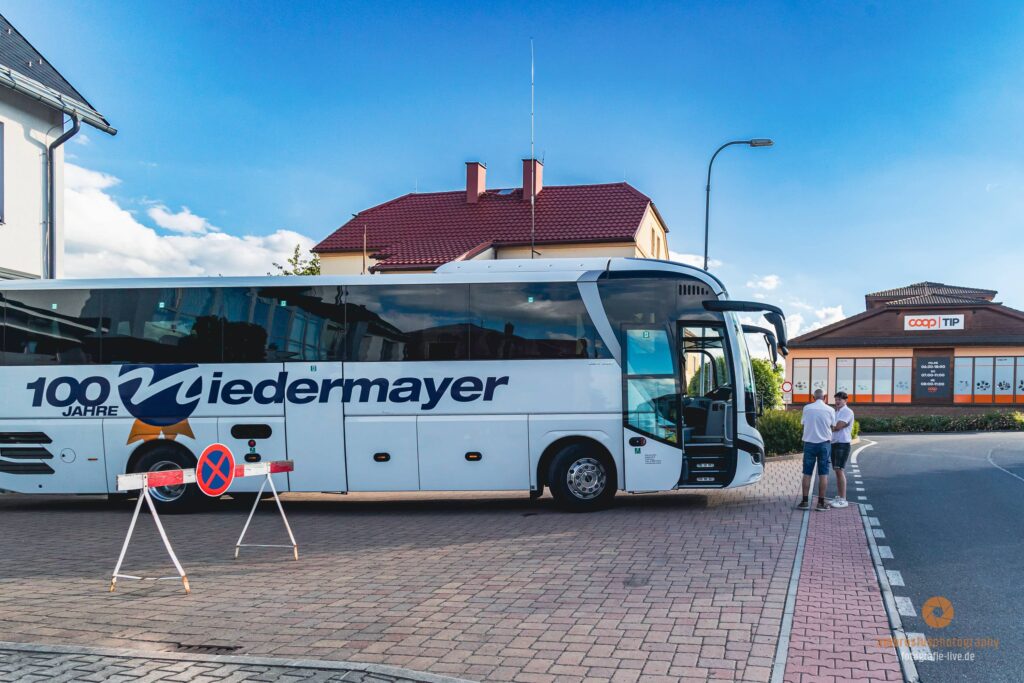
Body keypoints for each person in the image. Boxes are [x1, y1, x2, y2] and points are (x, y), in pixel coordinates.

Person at [799, 388, 835, 511]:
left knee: (807, 473)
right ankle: (820, 503)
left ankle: (804, 502)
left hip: (809, 443)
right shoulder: (830, 410)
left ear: (813, 398)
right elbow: (833, 425)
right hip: (824, 444)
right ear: (825, 397)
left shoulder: (807, 408)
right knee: (823, 473)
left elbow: (803, 423)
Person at [829, 391, 855, 508]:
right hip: (834, 443)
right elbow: (833, 426)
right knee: (836, 470)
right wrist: (833, 427)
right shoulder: (836, 412)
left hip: (842, 444)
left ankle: (843, 499)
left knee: (839, 470)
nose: (837, 402)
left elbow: (838, 426)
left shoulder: (847, 412)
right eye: (836, 400)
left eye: (839, 399)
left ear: (845, 400)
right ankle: (839, 497)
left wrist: (832, 427)